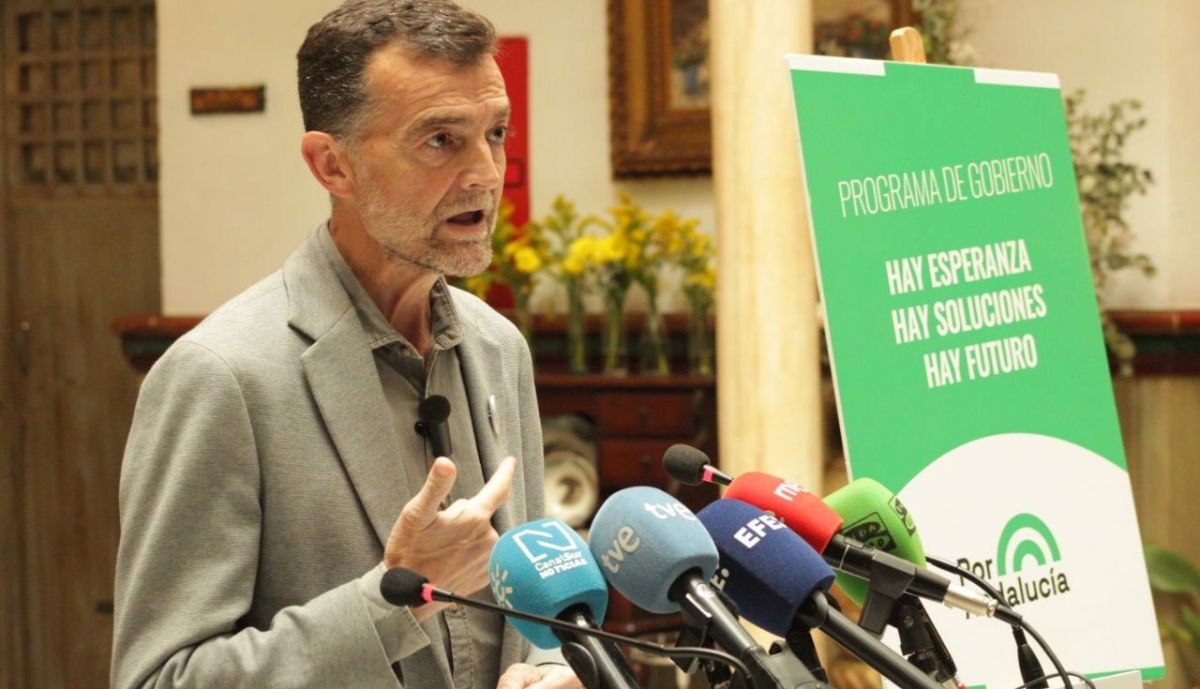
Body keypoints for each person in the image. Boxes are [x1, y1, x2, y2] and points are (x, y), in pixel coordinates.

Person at [111, 2, 579, 688]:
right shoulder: (219, 375)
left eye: (496, 133)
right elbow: (160, 678)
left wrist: (552, 665)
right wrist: (391, 602)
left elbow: (536, 615)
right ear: (333, 165)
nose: (486, 172)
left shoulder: (500, 349)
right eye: (440, 140)